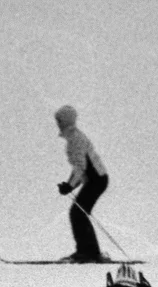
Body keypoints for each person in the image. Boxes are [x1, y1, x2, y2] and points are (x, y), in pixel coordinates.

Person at [55, 105, 110, 263]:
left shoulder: (76, 139)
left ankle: (88, 252)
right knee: (78, 213)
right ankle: (90, 251)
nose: (58, 124)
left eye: (59, 120)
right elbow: (79, 169)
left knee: (77, 213)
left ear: (66, 121)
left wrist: (70, 185)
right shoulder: (73, 138)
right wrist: (70, 185)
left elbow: (80, 167)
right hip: (96, 180)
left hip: (97, 180)